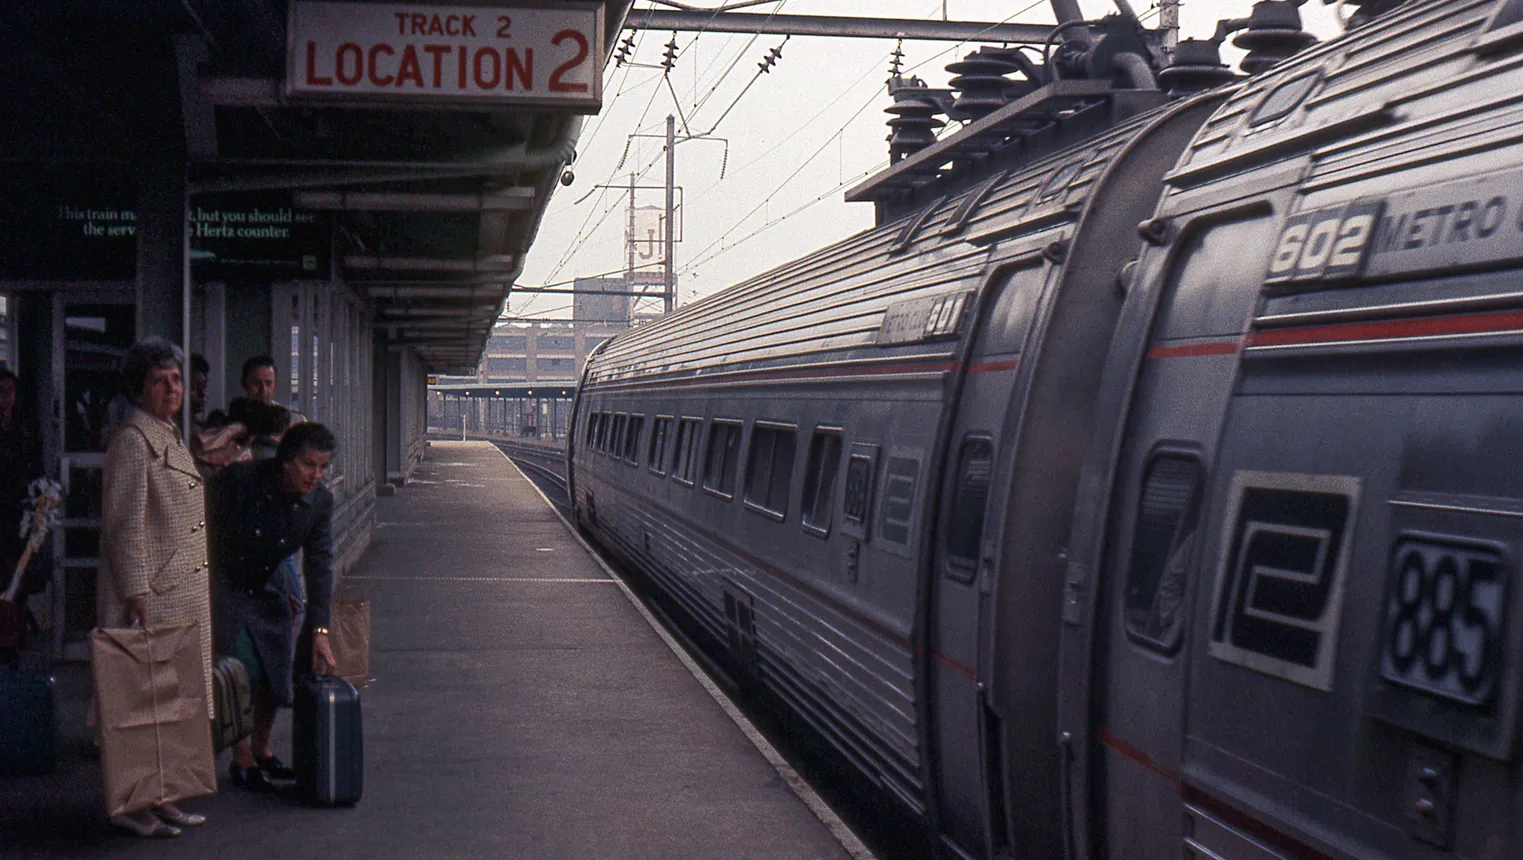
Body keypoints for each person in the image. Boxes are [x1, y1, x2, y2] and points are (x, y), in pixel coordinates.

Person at [97, 337, 212, 837]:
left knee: (170, 706)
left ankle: (162, 797)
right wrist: (136, 593)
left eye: (176, 380)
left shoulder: (166, 433)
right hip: (154, 595)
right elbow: (125, 525)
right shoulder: (132, 441)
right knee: (142, 704)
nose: (171, 388)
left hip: (180, 595)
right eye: (159, 381)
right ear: (138, 388)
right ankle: (132, 806)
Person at [207, 422, 338, 791]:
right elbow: (201, 527)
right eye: (309, 465)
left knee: (276, 668)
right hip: (226, 579)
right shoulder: (240, 480)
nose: (316, 475)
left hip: (269, 584)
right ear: (286, 462)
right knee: (239, 666)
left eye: (323, 467)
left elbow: (320, 569)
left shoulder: (319, 503)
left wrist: (320, 632)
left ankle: (263, 749)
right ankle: (241, 755)